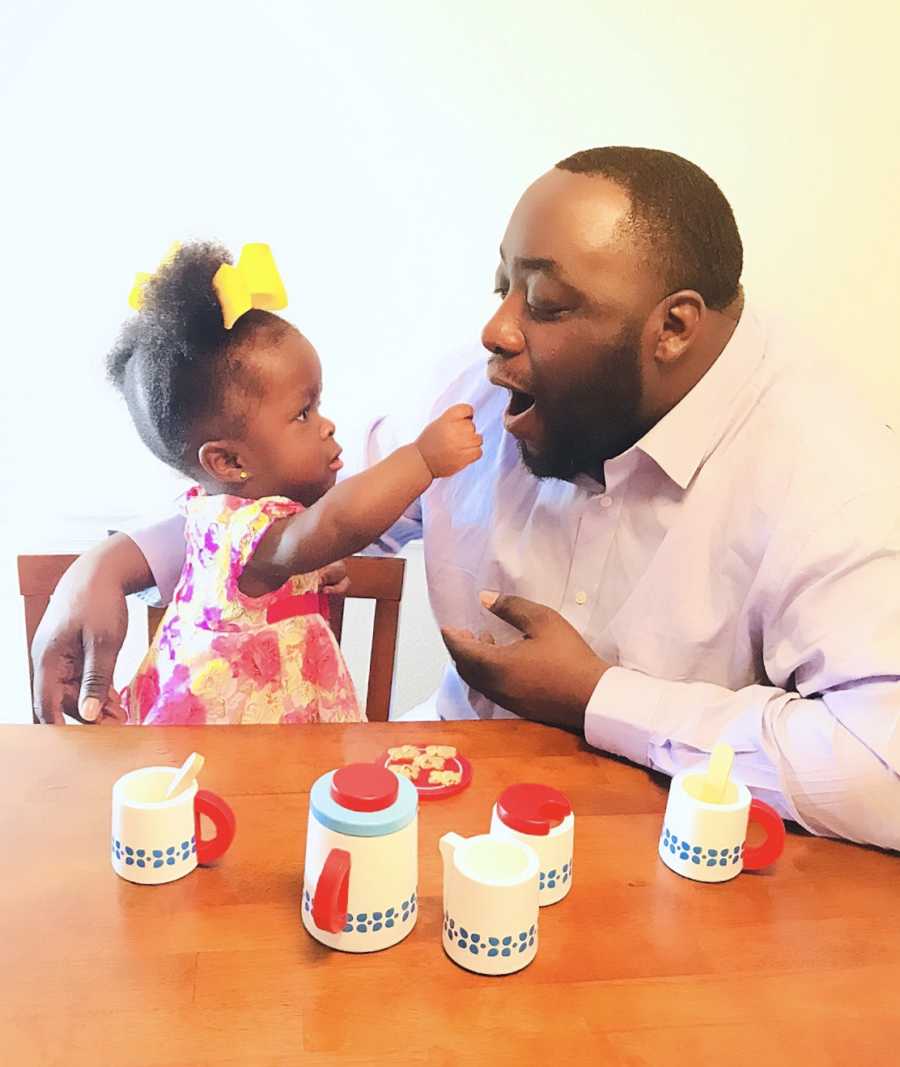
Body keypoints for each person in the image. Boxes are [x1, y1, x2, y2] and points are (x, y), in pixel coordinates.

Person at [31, 149, 899, 850]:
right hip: (449, 814)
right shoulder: (487, 392)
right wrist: (116, 560)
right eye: (503, 287)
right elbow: (301, 507)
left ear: (672, 327)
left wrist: (596, 697)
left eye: (546, 302)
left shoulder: (831, 464)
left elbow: (884, 768)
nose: (497, 330)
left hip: (670, 860)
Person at [87, 240, 481, 725]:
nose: (327, 425)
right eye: (302, 413)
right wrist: (421, 459)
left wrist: (309, 571)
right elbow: (334, 524)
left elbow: (298, 551)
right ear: (229, 461)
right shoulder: (246, 529)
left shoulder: (218, 514)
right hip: (237, 743)